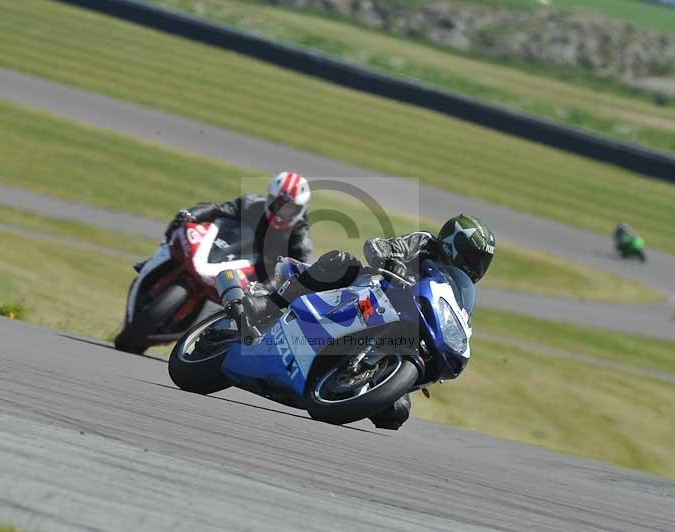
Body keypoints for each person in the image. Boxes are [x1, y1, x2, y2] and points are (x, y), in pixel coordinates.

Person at [243, 213, 496, 430]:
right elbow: (379, 246)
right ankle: (271, 304)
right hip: (372, 291)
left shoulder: (457, 289)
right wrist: (391, 262)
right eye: (473, 258)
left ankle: (357, 379)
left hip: (403, 326)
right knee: (341, 262)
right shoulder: (425, 243)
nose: (477, 267)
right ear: (453, 244)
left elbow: (458, 319)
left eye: (482, 262)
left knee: (397, 413)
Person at [164, 171, 313, 286]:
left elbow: (294, 275)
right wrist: (191, 214)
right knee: (180, 231)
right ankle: (156, 262)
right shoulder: (251, 204)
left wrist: (264, 289)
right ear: (269, 198)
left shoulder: (300, 239)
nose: (282, 212)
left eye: (290, 209)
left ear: (300, 210)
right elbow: (217, 209)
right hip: (225, 253)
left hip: (253, 278)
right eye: (278, 204)